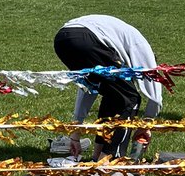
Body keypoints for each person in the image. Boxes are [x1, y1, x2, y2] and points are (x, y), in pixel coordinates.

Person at [52, 14, 161, 159]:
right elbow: (153, 83)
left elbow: (88, 89)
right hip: (87, 37)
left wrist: (75, 133)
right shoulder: (142, 48)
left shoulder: (118, 44)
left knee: (114, 95)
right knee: (129, 98)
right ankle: (109, 163)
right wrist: (147, 122)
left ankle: (97, 157)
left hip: (63, 39)